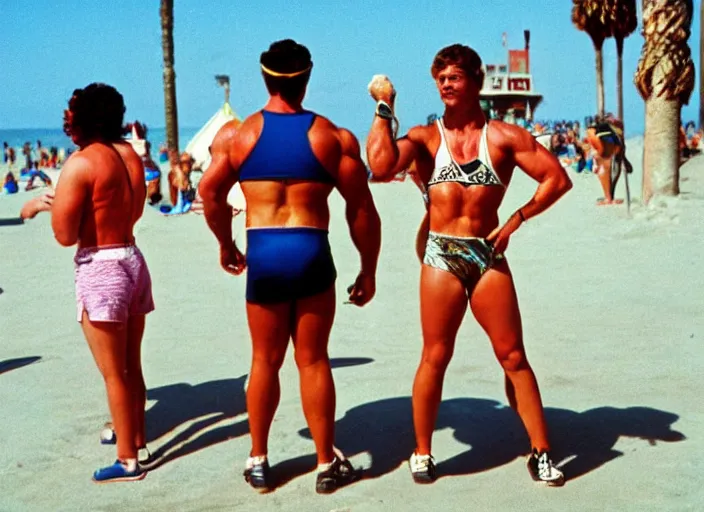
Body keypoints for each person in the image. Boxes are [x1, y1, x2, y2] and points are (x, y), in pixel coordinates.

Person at [366, 44, 572, 487]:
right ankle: (421, 451)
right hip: (442, 252)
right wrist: (384, 107)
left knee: (513, 355)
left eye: (454, 76)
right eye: (440, 77)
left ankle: (541, 450)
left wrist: (516, 219)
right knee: (435, 355)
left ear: (477, 82)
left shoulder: (502, 137)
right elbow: (380, 166)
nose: (445, 84)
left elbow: (558, 179)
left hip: (485, 252)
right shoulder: (425, 137)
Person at [198, 39, 381, 494]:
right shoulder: (332, 136)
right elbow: (361, 209)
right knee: (314, 360)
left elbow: (209, 194)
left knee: (264, 360)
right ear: (307, 77)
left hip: (264, 252)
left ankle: (258, 459)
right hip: (311, 248)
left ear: (265, 77)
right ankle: (324, 464)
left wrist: (225, 243)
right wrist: (368, 267)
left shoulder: (237, 137)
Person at [24, 83, 154, 483]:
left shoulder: (82, 163)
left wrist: (47, 205)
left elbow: (64, 235)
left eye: (72, 112)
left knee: (113, 371)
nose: (67, 118)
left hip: (101, 265)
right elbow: (133, 210)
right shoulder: (129, 154)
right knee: (131, 362)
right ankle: (137, 434)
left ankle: (127, 459)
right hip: (131, 258)